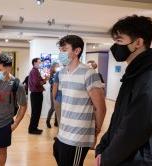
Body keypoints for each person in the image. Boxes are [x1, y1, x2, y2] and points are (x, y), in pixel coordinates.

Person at [95, 15, 152, 166]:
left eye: (119, 40)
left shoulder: (151, 77)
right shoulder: (135, 73)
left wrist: (106, 159)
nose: (115, 46)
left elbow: (134, 130)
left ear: (138, 42)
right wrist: (103, 147)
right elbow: (120, 119)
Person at [53, 35, 106, 166]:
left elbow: (101, 108)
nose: (61, 53)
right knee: (57, 155)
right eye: (60, 50)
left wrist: (95, 133)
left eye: (64, 50)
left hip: (79, 136)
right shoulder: (62, 73)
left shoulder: (89, 73)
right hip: (63, 133)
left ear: (77, 51)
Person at [28, 58, 48, 135]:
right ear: (34, 63)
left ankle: (34, 128)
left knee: (36, 112)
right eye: (39, 62)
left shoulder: (36, 71)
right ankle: (32, 129)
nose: (41, 64)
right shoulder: (34, 71)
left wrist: (44, 80)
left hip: (36, 94)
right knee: (35, 112)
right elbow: (36, 83)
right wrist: (43, 81)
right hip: (36, 94)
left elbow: (39, 82)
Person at [46, 62, 60, 128]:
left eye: (58, 66)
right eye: (56, 66)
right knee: (53, 107)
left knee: (57, 107)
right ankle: (47, 121)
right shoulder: (52, 75)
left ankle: (56, 122)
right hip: (53, 92)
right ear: (53, 67)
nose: (58, 67)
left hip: (59, 92)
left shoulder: (59, 74)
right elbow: (52, 83)